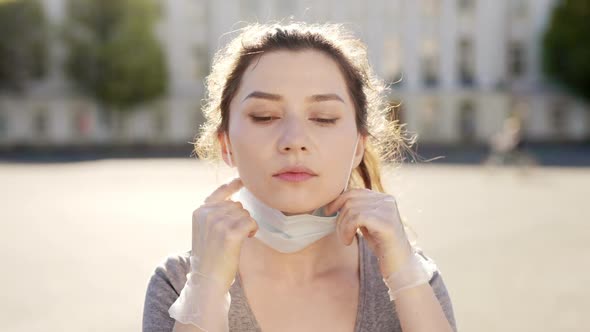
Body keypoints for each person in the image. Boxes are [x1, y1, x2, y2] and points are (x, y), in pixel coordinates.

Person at [142, 22, 457, 332]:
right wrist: (207, 286)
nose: (294, 139)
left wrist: (404, 276)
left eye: (323, 118)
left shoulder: (414, 277)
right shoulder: (179, 281)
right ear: (226, 144)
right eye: (264, 116)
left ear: (359, 146)